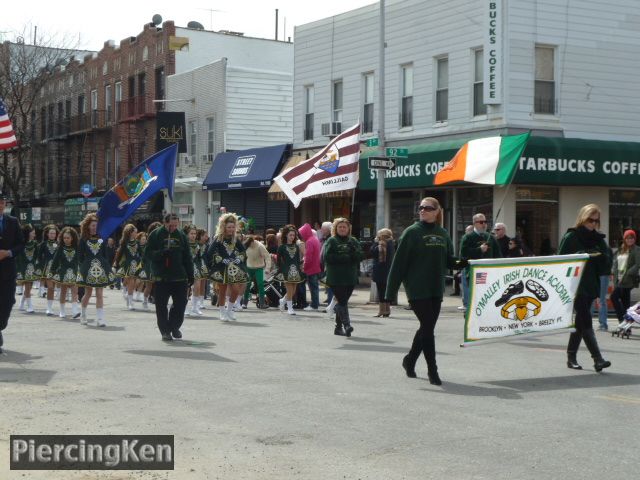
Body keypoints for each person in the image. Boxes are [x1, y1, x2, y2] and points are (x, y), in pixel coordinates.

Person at [386, 197, 463, 385]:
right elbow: (398, 264)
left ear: (437, 211)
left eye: (428, 208)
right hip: (417, 288)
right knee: (428, 329)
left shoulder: (443, 233)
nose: (423, 210)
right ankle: (432, 371)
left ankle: (410, 360)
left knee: (426, 328)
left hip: (435, 288)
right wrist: (389, 294)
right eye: (420, 207)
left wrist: (466, 262)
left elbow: (450, 260)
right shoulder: (411, 233)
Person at [559, 204, 612, 372]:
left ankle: (571, 357)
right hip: (575, 285)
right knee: (585, 318)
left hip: (590, 285)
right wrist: (581, 255)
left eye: (596, 221)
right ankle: (598, 359)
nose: (593, 224)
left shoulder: (598, 238)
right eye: (590, 220)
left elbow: (607, 258)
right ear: (583, 218)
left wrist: (601, 256)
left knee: (581, 322)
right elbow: (561, 259)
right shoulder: (571, 236)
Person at [144, 213, 194, 341]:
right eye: (171, 225)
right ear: (165, 222)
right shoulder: (155, 234)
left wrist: (190, 274)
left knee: (180, 304)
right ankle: (165, 331)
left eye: (176, 225)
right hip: (162, 277)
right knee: (161, 306)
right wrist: (161, 254)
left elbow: (187, 256)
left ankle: (174, 326)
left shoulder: (181, 235)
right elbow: (148, 254)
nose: (173, 228)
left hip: (179, 277)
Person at [323, 218, 363, 336]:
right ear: (335, 228)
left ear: (348, 228)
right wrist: (346, 258)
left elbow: (360, 256)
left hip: (350, 277)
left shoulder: (353, 240)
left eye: (344, 227)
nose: (342, 229)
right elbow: (328, 257)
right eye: (340, 227)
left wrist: (354, 252)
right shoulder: (332, 241)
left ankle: (338, 328)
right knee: (342, 301)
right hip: (336, 277)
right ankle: (347, 325)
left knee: (342, 302)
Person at [76, 213, 116, 326]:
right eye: (93, 225)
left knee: (99, 293)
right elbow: (80, 256)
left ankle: (100, 319)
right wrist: (83, 268)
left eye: (96, 225)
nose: (95, 227)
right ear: (88, 226)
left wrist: (106, 267)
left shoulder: (101, 238)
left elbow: (105, 255)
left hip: (101, 268)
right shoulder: (83, 239)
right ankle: (83, 315)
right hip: (88, 268)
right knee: (88, 293)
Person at [207, 213, 248, 321]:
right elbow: (210, 252)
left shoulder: (235, 239)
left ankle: (229, 310)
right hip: (221, 268)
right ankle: (222, 312)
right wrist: (220, 259)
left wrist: (239, 257)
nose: (231, 229)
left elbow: (243, 250)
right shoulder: (218, 238)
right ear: (224, 227)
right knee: (222, 291)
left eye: (233, 227)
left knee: (236, 289)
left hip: (233, 268)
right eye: (229, 227)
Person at [460, 214, 501, 314]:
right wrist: (479, 250)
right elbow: (464, 254)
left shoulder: (490, 237)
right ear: (474, 223)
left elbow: (498, 255)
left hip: (490, 273)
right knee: (475, 297)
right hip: (475, 273)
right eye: (481, 222)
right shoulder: (468, 237)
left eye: (485, 222)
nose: (484, 225)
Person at [0, 191, 25, 353]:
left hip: (7, 271)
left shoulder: (13, 221)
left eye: (2, 202)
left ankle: (1, 326)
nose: (0, 204)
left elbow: (20, 244)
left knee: (7, 303)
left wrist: (8, 253)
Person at [48, 226, 81, 319]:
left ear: (72, 238)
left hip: (74, 272)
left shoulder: (77, 248)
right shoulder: (60, 248)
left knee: (75, 291)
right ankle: (62, 311)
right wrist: (52, 271)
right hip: (63, 273)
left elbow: (81, 259)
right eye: (64, 238)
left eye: (68, 238)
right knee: (63, 292)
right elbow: (55, 261)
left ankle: (75, 311)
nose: (66, 239)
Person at [610, 229, 640, 327]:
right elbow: (616, 262)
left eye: (631, 238)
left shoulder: (636, 249)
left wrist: (628, 273)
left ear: (634, 239)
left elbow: (637, 264)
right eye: (627, 238)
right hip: (619, 278)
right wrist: (613, 271)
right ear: (624, 239)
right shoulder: (621, 249)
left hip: (628, 279)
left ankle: (622, 319)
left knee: (613, 297)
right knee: (625, 302)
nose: (629, 240)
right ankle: (627, 325)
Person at [276, 224, 305, 315]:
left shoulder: (296, 246)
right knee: (289, 290)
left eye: (293, 235)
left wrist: (300, 266)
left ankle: (282, 301)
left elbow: (297, 259)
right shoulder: (282, 247)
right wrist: (280, 269)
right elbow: (278, 260)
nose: (292, 237)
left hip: (295, 270)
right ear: (286, 235)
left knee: (293, 291)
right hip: (286, 270)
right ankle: (290, 308)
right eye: (290, 235)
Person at [114, 224, 139, 311]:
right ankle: (130, 302)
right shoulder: (125, 242)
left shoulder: (137, 242)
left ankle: (127, 293)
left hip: (136, 264)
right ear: (130, 233)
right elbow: (119, 253)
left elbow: (141, 253)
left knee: (135, 282)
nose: (136, 233)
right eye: (135, 232)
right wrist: (116, 264)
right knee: (131, 282)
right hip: (128, 264)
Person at [242, 235, 271, 309]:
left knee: (260, 284)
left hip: (259, 268)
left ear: (252, 242)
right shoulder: (247, 246)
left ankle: (262, 303)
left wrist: (268, 268)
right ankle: (244, 303)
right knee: (247, 285)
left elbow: (267, 256)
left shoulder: (260, 246)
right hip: (249, 267)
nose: (249, 246)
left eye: (250, 244)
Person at [371, 228, 395, 317]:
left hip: (381, 271)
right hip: (388, 270)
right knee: (385, 291)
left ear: (382, 236)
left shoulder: (381, 244)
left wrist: (375, 242)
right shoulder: (391, 243)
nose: (377, 236)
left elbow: (373, 252)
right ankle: (387, 310)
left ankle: (381, 311)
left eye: (378, 235)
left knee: (381, 291)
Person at [37, 224, 59, 316]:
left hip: (57, 268)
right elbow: (38, 256)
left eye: (54, 233)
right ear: (47, 234)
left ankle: (61, 309)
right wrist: (42, 266)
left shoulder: (58, 244)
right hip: (47, 269)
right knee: (50, 288)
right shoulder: (43, 244)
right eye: (51, 233)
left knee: (57, 288)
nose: (52, 235)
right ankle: (49, 308)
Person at [299, 223, 322, 311]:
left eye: (302, 234)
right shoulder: (315, 239)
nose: (301, 236)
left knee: (313, 288)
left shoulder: (309, 241)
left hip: (311, 268)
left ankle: (314, 305)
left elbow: (308, 256)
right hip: (315, 266)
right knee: (315, 287)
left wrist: (304, 266)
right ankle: (315, 304)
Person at [16, 224, 39, 314]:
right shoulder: (21, 244)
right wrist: (18, 269)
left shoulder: (35, 244)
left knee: (28, 288)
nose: (34, 235)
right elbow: (18, 257)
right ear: (28, 233)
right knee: (28, 287)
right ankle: (29, 306)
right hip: (23, 268)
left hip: (32, 268)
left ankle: (21, 304)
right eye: (33, 233)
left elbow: (37, 256)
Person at [185, 225, 205, 316]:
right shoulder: (184, 243)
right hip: (186, 267)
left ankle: (195, 307)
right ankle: (184, 307)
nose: (193, 235)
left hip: (196, 267)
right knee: (186, 288)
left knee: (197, 286)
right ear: (187, 234)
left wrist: (201, 266)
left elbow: (199, 257)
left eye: (194, 233)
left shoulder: (197, 244)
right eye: (191, 233)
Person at [135, 231, 152, 310]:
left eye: (145, 239)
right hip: (142, 266)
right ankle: (130, 293)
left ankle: (145, 301)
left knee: (149, 286)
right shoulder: (138, 245)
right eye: (143, 239)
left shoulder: (150, 246)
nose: (144, 240)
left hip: (151, 267)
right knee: (139, 281)